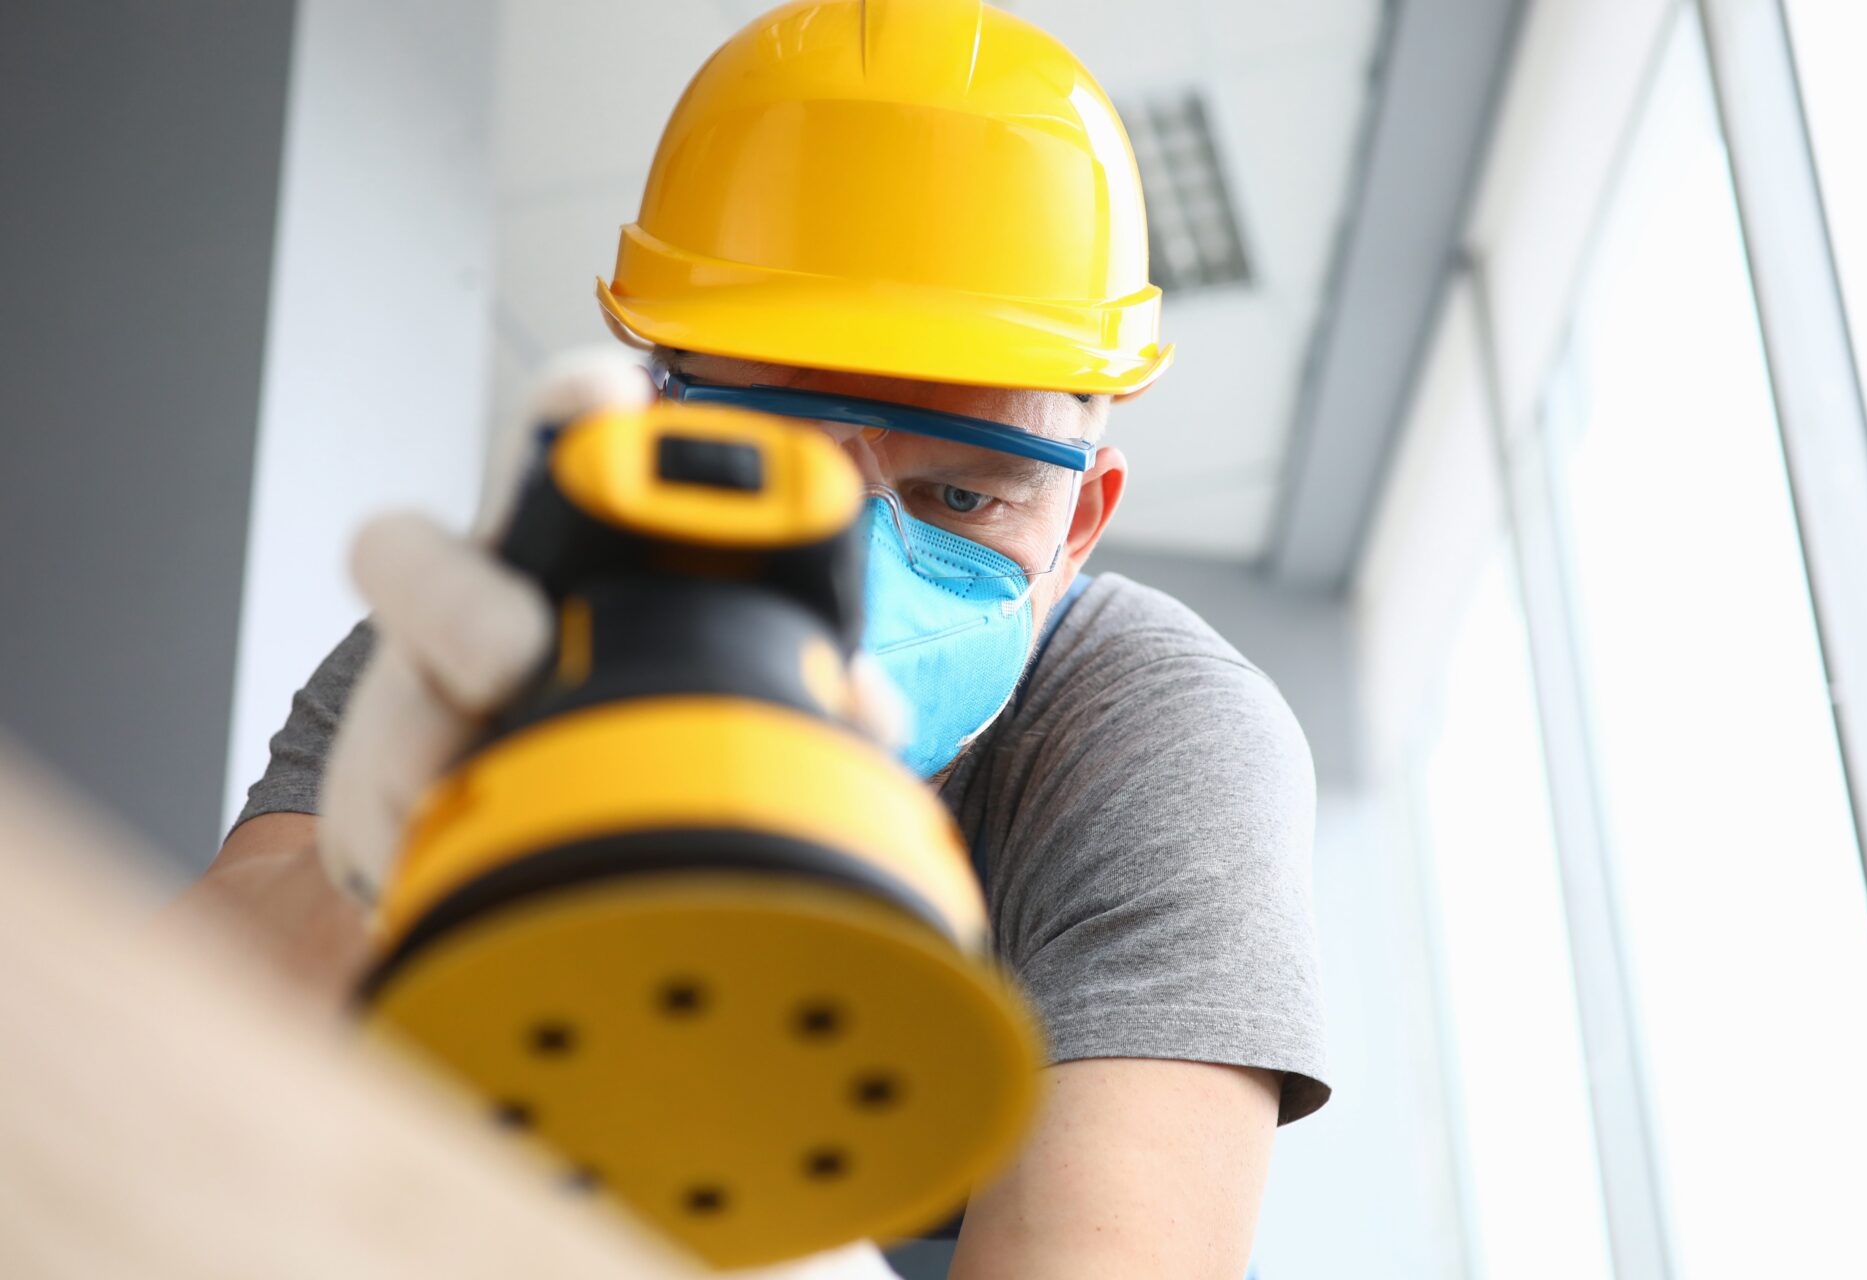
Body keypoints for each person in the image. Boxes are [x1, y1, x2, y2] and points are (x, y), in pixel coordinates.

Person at [182, 2, 1330, 1276]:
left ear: (1082, 523)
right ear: (653, 405)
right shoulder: (492, 650)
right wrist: (375, 892)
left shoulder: (1153, 743)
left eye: (961, 495)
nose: (850, 560)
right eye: (784, 452)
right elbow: (163, 1056)